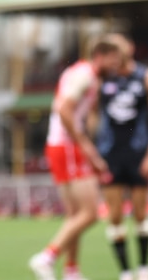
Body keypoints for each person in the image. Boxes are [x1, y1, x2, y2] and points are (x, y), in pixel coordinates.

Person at [29, 36, 123, 280]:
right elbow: (64, 109)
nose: (117, 65)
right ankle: (47, 257)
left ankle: (71, 270)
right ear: (101, 55)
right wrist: (87, 148)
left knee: (75, 216)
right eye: (115, 59)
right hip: (68, 146)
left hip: (57, 145)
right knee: (90, 213)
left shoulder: (79, 72)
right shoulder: (86, 75)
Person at [95, 34, 148, 280]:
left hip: (139, 152)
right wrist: (94, 149)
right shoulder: (102, 77)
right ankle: (126, 272)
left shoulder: (147, 76)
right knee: (114, 215)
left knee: (140, 213)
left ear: (130, 48)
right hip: (110, 154)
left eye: (117, 46)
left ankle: (145, 268)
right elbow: (93, 114)